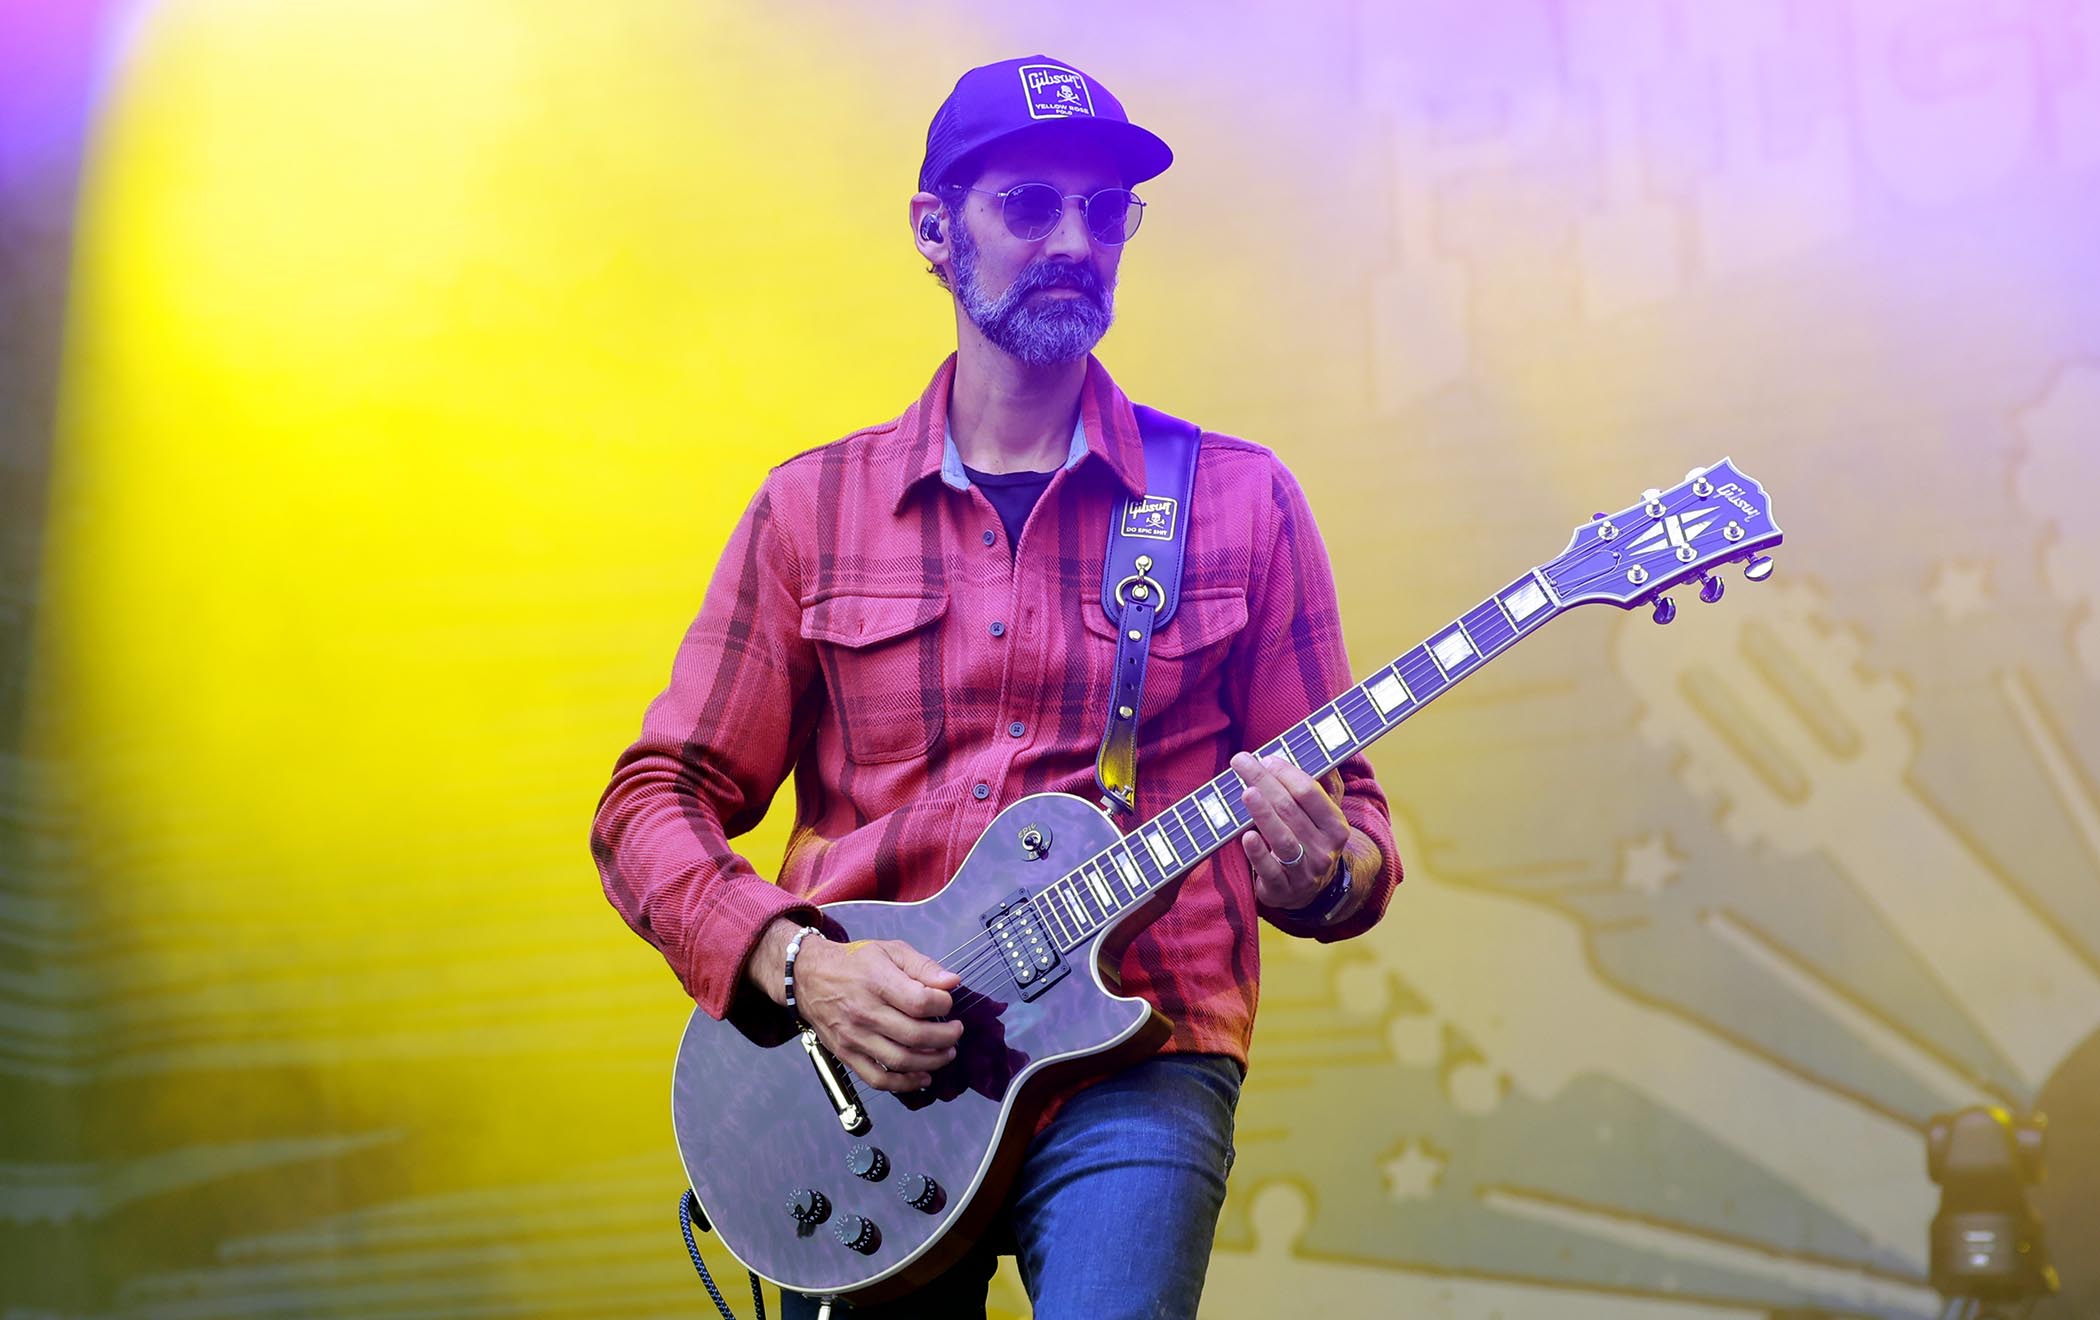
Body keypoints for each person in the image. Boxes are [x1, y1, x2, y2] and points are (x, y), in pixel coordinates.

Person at [592, 54, 1401, 1319]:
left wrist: (1322, 872)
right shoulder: (816, 508)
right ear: (935, 233)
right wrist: (801, 970)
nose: (1076, 240)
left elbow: (1354, 836)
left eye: (1106, 212)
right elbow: (648, 804)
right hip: (863, 1066)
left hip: (1143, 1052)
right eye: (1031, 207)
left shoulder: (1239, 501)